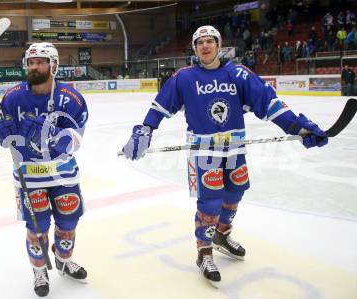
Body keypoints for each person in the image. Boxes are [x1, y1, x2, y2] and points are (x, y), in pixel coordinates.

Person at [121, 25, 328, 288]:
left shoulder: (238, 74)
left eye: (210, 41)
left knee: (235, 193)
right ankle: (204, 252)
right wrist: (145, 131)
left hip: (235, 149)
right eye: (200, 42)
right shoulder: (184, 78)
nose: (205, 46)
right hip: (204, 151)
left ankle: (222, 234)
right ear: (195, 49)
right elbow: (160, 106)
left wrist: (298, 126)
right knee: (210, 202)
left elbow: (270, 103)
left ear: (219, 46)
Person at [0, 42, 88, 297]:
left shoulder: (72, 98)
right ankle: (39, 270)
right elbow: (8, 134)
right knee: (37, 227)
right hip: (29, 174)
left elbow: (75, 140)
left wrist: (50, 136)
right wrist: (2, 135)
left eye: (40, 62)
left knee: (68, 222)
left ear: (53, 65)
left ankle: (63, 259)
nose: (34, 66)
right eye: (30, 62)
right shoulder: (13, 97)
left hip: (62, 171)